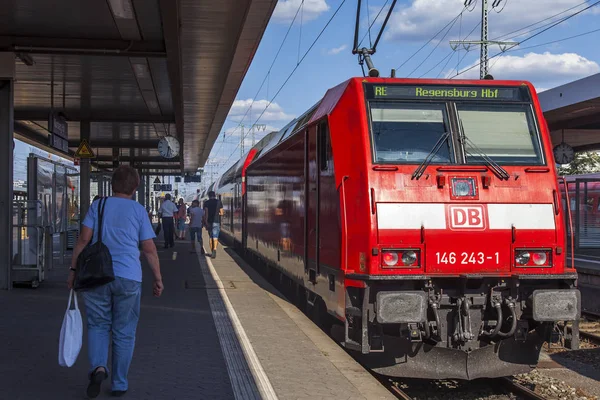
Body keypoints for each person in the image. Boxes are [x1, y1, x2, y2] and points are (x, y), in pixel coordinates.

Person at [67, 165, 163, 398]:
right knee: (124, 331)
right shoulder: (139, 211)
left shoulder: (98, 205)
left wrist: (72, 270)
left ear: (112, 184)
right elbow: (149, 249)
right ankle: (119, 383)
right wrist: (158, 278)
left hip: (96, 275)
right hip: (129, 277)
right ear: (136, 186)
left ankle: (99, 368)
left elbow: (83, 240)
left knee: (98, 325)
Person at [203, 191, 223, 258]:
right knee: (215, 237)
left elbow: (206, 213)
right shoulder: (219, 202)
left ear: (209, 196)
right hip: (216, 221)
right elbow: (222, 213)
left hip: (209, 222)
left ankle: (212, 252)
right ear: (215, 195)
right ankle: (215, 249)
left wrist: (206, 222)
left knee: (211, 237)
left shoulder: (206, 203)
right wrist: (218, 214)